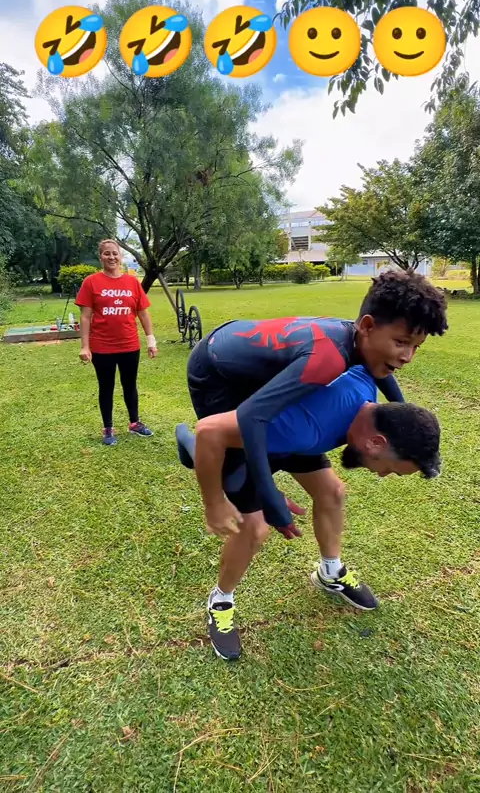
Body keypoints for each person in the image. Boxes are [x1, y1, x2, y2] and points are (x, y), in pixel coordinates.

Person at [185, 269, 447, 658]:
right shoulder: (328, 360)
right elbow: (250, 418)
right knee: (253, 521)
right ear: (367, 327)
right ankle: (221, 599)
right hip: (217, 373)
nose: (407, 356)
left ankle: (330, 571)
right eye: (401, 342)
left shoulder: (362, 349)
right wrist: (263, 497)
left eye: (415, 347)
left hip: (273, 390)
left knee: (331, 491)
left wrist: (405, 422)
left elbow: (388, 390)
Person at [75, 239, 157, 445]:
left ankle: (134, 423)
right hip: (102, 346)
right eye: (107, 253)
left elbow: (143, 313)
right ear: (100, 257)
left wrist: (151, 340)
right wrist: (85, 346)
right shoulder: (91, 282)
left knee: (130, 385)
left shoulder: (132, 283)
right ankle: (108, 428)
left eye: (114, 253)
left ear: (120, 256)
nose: (111, 257)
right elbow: (85, 316)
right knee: (106, 386)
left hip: (129, 344)